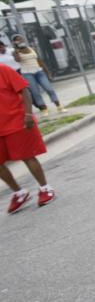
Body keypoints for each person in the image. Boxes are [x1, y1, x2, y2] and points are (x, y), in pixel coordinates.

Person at [1, 63, 56, 214]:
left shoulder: (3, 70)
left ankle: (45, 188)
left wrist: (28, 114)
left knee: (27, 156)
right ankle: (19, 193)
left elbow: (25, 91)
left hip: (16, 121)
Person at [11, 34, 65, 116]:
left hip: (39, 72)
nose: (20, 41)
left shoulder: (32, 49)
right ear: (15, 42)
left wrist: (48, 73)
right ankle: (44, 109)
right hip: (27, 74)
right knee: (35, 92)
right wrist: (16, 50)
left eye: (21, 39)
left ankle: (59, 106)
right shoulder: (15, 52)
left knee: (49, 89)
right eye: (17, 40)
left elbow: (40, 61)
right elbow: (18, 60)